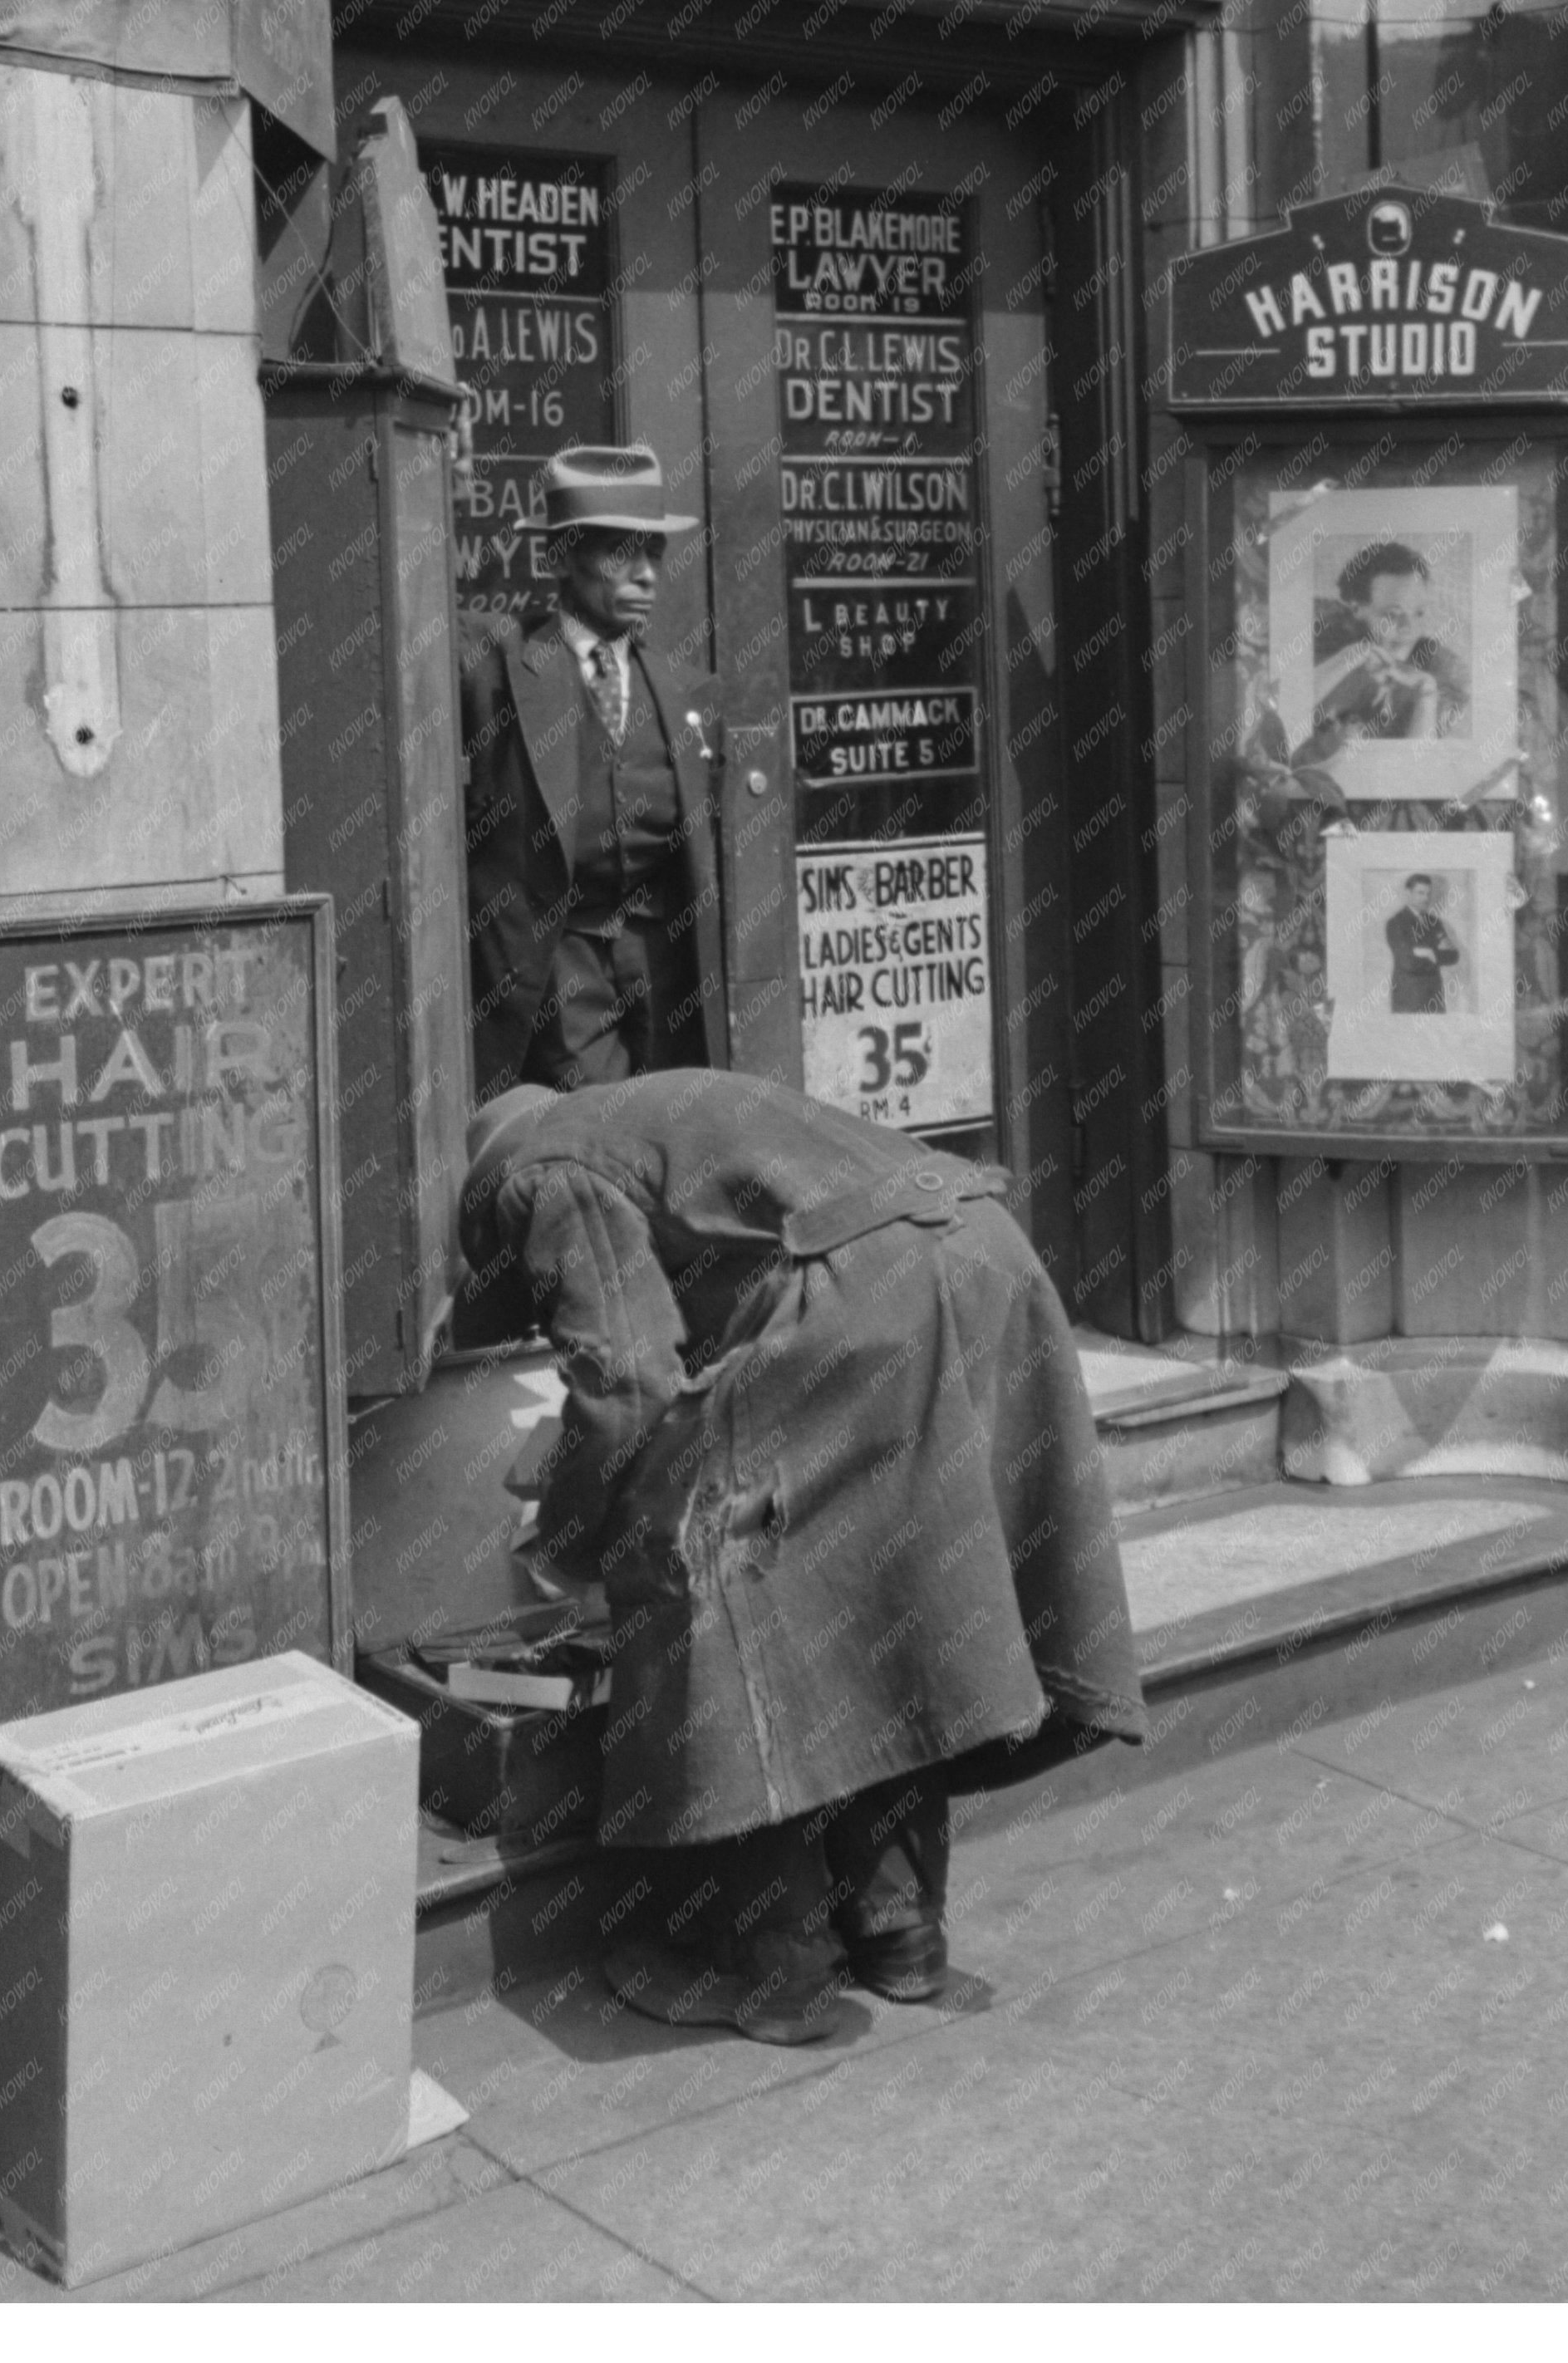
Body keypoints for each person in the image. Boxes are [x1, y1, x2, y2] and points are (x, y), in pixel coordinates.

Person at [456, 1071, 1146, 2043]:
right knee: (879, 1585)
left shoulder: (540, 1170)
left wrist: (572, 1533)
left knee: (711, 1576)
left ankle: (767, 1962)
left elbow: (629, 1378)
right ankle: (898, 1928)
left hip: (870, 1286)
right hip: (983, 1253)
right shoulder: (646, 1115)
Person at [455, 443, 725, 1111]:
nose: (645, 576)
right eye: (618, 554)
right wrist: (446, 479)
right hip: (559, 972)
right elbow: (410, 607)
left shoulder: (685, 690)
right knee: (595, 1141)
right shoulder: (503, 664)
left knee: (673, 1137)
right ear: (563, 558)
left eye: (653, 553)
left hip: (665, 974)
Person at [1295, 539, 1469, 765]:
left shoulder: (1444, 676)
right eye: (1393, 614)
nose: (1409, 627)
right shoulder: (1318, 643)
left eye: (1419, 613)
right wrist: (1347, 659)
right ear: (1357, 608)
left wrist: (1426, 694)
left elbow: (1416, 771)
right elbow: (1283, 717)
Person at [1385, 874, 1460, 1014]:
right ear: (1408, 893)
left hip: (1434, 997)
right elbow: (1407, 962)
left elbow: (1454, 955)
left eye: (1428, 893)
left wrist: (1428, 953)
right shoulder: (1395, 923)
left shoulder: (1435, 923)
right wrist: (1437, 956)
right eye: (1421, 893)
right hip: (1408, 998)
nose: (1426, 898)